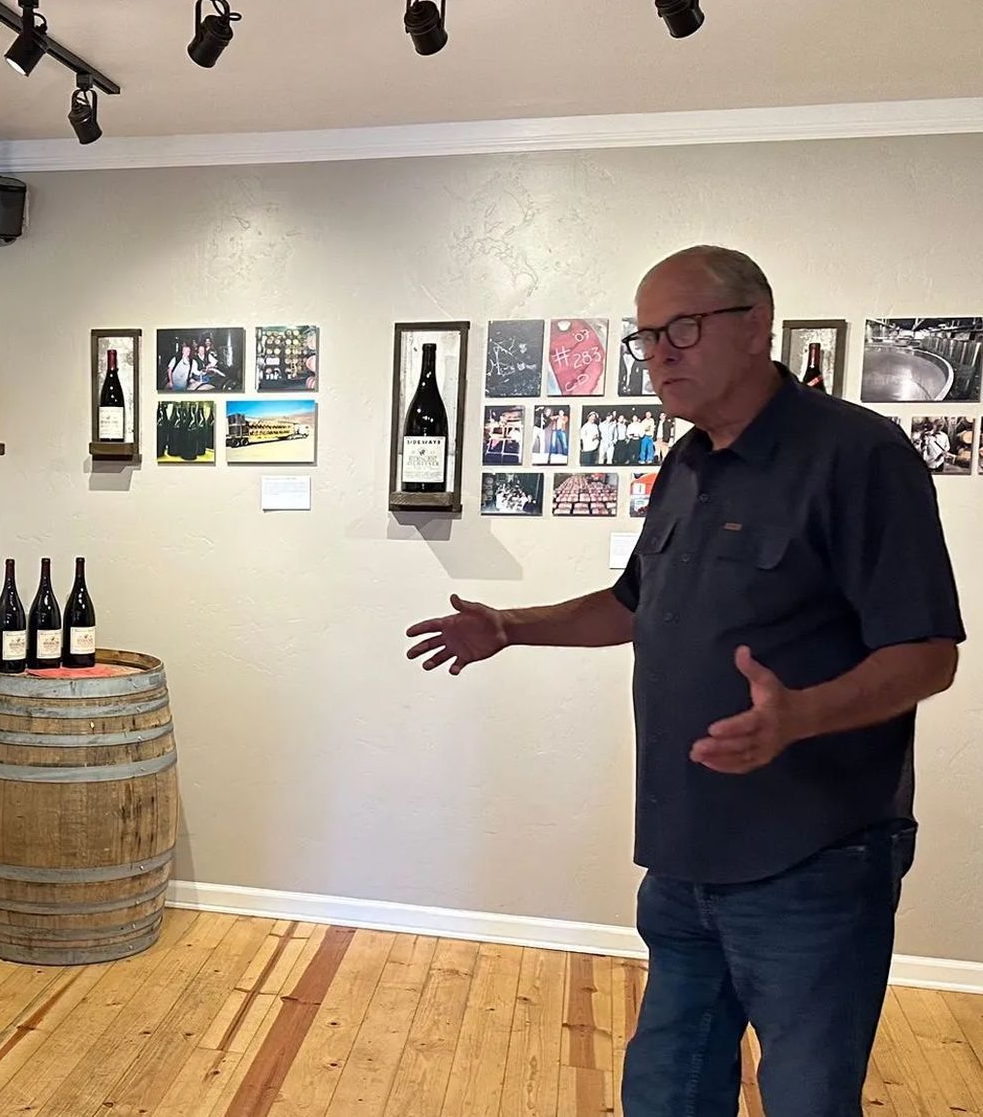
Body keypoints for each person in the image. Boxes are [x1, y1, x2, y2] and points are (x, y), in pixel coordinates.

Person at [404, 245, 963, 1117]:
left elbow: (929, 652)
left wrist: (799, 717)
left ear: (756, 329)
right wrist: (511, 628)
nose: (660, 353)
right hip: (684, 853)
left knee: (809, 1098)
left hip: (813, 857)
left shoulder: (857, 456)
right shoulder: (688, 465)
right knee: (665, 1091)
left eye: (683, 329)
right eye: (646, 336)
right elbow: (632, 605)